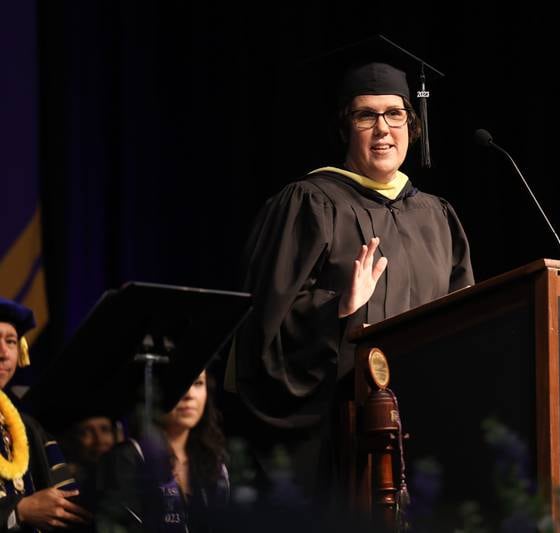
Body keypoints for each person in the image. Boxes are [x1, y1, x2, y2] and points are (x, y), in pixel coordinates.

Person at [226, 35, 474, 498]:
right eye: (366, 115)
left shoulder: (437, 216)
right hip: (337, 446)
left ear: (413, 124)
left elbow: (465, 317)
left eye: (395, 114)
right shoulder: (309, 204)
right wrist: (337, 309)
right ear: (345, 127)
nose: (383, 129)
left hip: (424, 437)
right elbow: (259, 327)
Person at [0, 297, 92, 531]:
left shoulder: (28, 428)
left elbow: (66, 501)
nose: (4, 353)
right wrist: (19, 511)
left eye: (11, 342)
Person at [96, 370, 229, 532]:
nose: (189, 394)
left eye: (198, 383)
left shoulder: (215, 464)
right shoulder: (127, 459)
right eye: (178, 384)